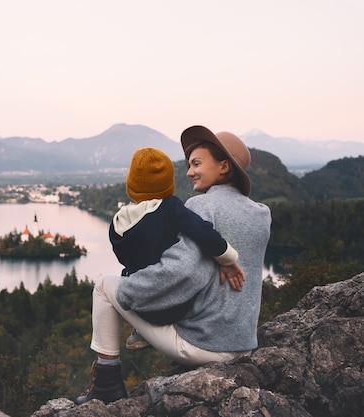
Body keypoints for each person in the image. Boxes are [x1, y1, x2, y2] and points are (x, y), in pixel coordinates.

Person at [75, 126, 272, 405]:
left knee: (106, 285)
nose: (190, 171)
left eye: (196, 163)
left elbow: (181, 273)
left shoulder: (202, 207)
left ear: (224, 167)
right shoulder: (262, 214)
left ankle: (106, 387)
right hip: (243, 343)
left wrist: (128, 293)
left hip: (203, 345)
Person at [109, 147, 245, 349]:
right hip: (176, 307)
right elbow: (202, 232)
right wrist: (226, 258)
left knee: (121, 277)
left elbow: (124, 259)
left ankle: (136, 336)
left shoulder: (117, 223)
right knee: (199, 263)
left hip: (142, 305)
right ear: (167, 183)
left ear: (131, 184)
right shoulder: (170, 208)